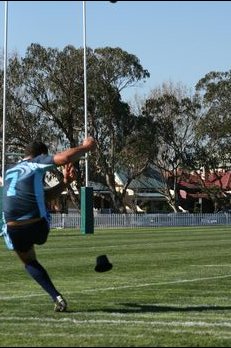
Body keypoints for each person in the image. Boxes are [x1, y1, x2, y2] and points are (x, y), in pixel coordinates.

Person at [2, 137, 96, 312]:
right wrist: (86, 147)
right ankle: (57, 297)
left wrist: (65, 183)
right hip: (37, 226)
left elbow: (41, 196)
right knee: (39, 223)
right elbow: (63, 158)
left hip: (12, 227)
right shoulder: (36, 162)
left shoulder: (10, 169)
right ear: (41, 155)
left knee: (29, 262)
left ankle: (57, 297)